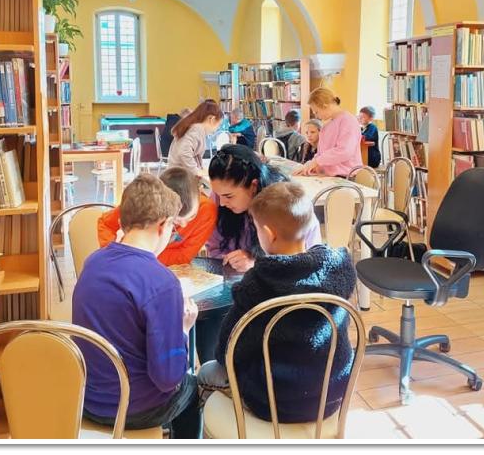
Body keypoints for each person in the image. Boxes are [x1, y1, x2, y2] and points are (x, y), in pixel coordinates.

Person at [197, 182, 357, 423]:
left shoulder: (257, 284)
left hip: (272, 402)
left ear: (268, 234)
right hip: (331, 395)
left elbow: (226, 351)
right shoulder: (339, 268)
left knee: (206, 372)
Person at [73, 174, 200, 439]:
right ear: (163, 225)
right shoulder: (162, 282)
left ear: (122, 222)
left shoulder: (93, 262)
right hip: (135, 408)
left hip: (87, 399)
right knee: (191, 388)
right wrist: (184, 330)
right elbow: (168, 378)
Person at [194, 144, 322, 363]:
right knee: (209, 318)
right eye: (218, 195)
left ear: (253, 186)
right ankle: (216, 366)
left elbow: (304, 258)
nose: (222, 203)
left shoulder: (286, 202)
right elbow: (215, 249)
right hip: (235, 282)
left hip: (277, 293)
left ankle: (221, 370)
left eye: (229, 196)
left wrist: (256, 260)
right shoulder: (220, 201)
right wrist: (233, 260)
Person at [97, 167, 218, 266]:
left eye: (191, 217)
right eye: (173, 222)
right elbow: (105, 224)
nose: (183, 225)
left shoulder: (206, 210)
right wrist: (122, 253)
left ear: (199, 191)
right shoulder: (143, 202)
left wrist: (142, 254)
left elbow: (184, 256)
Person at [293, 88, 361, 177]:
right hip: (329, 175)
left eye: (316, 112)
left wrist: (317, 161)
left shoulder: (348, 121)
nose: (316, 116)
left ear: (325, 106)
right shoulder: (328, 125)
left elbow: (345, 151)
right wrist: (310, 164)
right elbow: (322, 153)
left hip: (346, 175)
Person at [167, 100, 223, 173]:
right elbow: (183, 152)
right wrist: (196, 171)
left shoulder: (195, 127)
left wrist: (200, 169)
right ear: (211, 119)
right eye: (218, 125)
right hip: (180, 175)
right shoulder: (197, 129)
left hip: (178, 173)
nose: (217, 129)